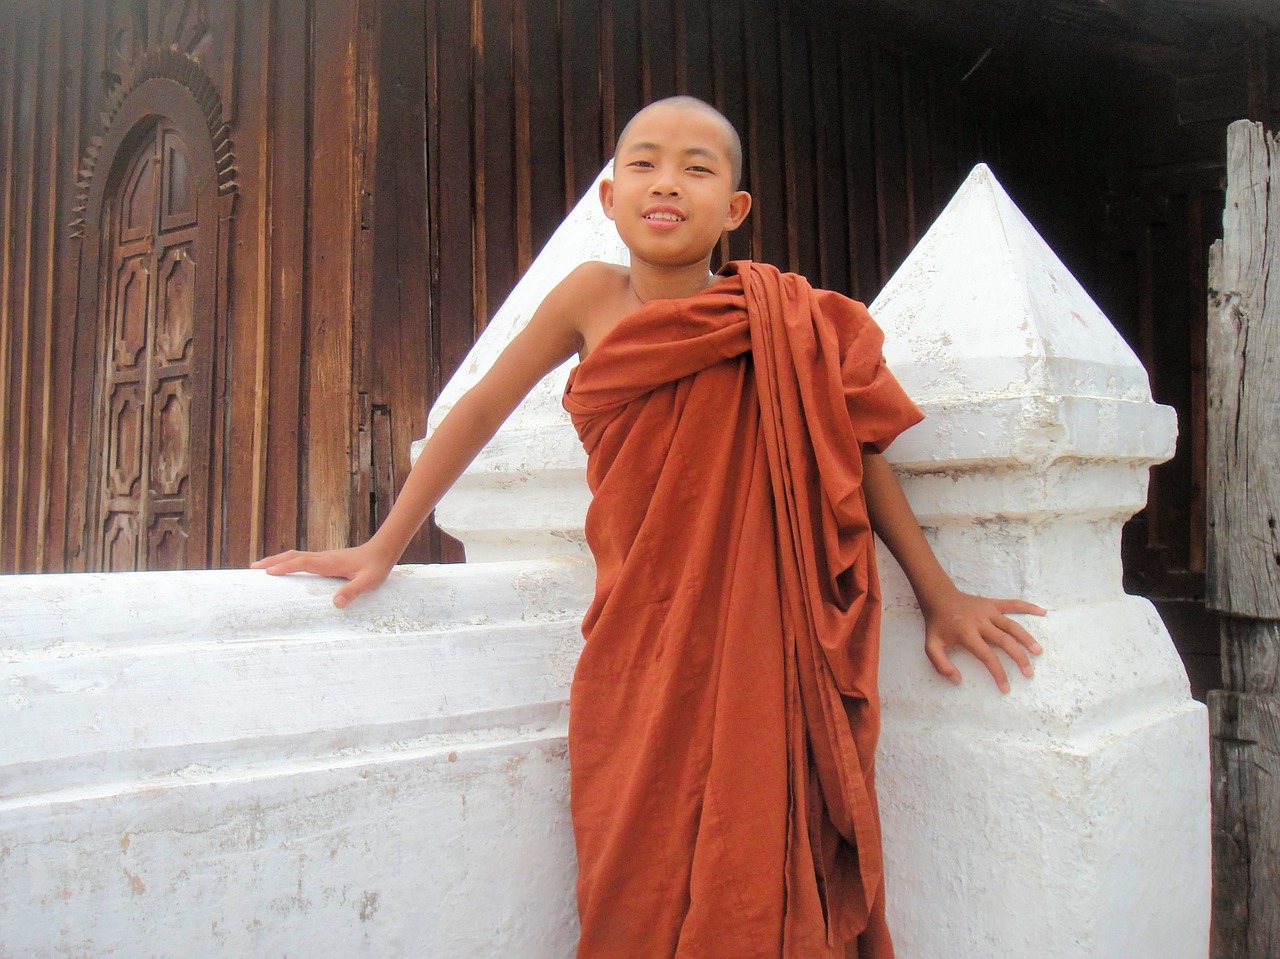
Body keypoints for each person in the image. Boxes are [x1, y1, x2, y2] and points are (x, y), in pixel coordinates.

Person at [254, 96, 1044, 959]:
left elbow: (856, 455)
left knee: (758, 858)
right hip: (634, 641)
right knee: (630, 859)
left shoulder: (784, 322)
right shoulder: (593, 296)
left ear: (734, 208)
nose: (668, 182)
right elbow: (480, 408)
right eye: (645, 162)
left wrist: (940, 596)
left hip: (758, 648)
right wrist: (385, 541)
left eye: (699, 168)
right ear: (610, 193)